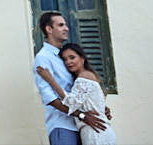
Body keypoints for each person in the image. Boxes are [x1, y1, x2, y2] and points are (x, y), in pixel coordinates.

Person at [33, 12, 109, 145]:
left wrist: (100, 106)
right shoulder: (43, 58)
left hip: (84, 126)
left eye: (65, 25)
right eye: (61, 25)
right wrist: (82, 115)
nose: (67, 28)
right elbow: (50, 98)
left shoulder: (66, 56)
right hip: (63, 126)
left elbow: (81, 89)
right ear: (49, 29)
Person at [37, 43, 116, 145]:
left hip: (95, 132)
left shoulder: (84, 76)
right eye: (65, 59)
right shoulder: (85, 77)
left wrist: (50, 80)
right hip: (96, 131)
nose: (68, 62)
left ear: (82, 58)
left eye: (72, 57)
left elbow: (71, 103)